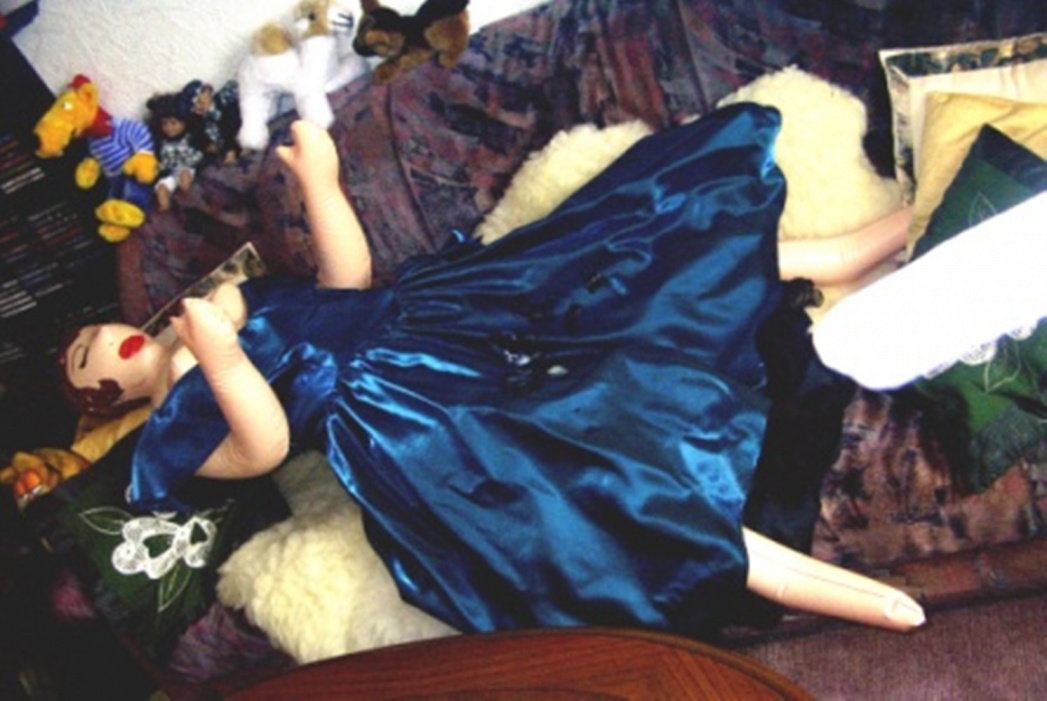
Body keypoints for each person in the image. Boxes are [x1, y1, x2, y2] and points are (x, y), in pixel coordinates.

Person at [62, 108, 924, 638]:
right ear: (102, 395)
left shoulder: (222, 300)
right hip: (403, 418)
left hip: (434, 316)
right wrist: (218, 358)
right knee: (574, 482)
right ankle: (808, 581)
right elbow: (266, 444)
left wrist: (319, 184)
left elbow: (344, 286)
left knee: (622, 262)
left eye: (96, 330)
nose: (105, 341)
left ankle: (845, 250)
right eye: (87, 355)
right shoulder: (170, 434)